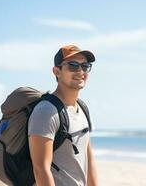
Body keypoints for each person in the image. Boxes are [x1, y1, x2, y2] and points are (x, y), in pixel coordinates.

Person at [28, 44, 98, 186]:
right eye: (72, 65)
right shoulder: (46, 111)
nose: (80, 71)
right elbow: (41, 169)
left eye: (85, 66)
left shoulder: (83, 108)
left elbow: (89, 160)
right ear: (56, 71)